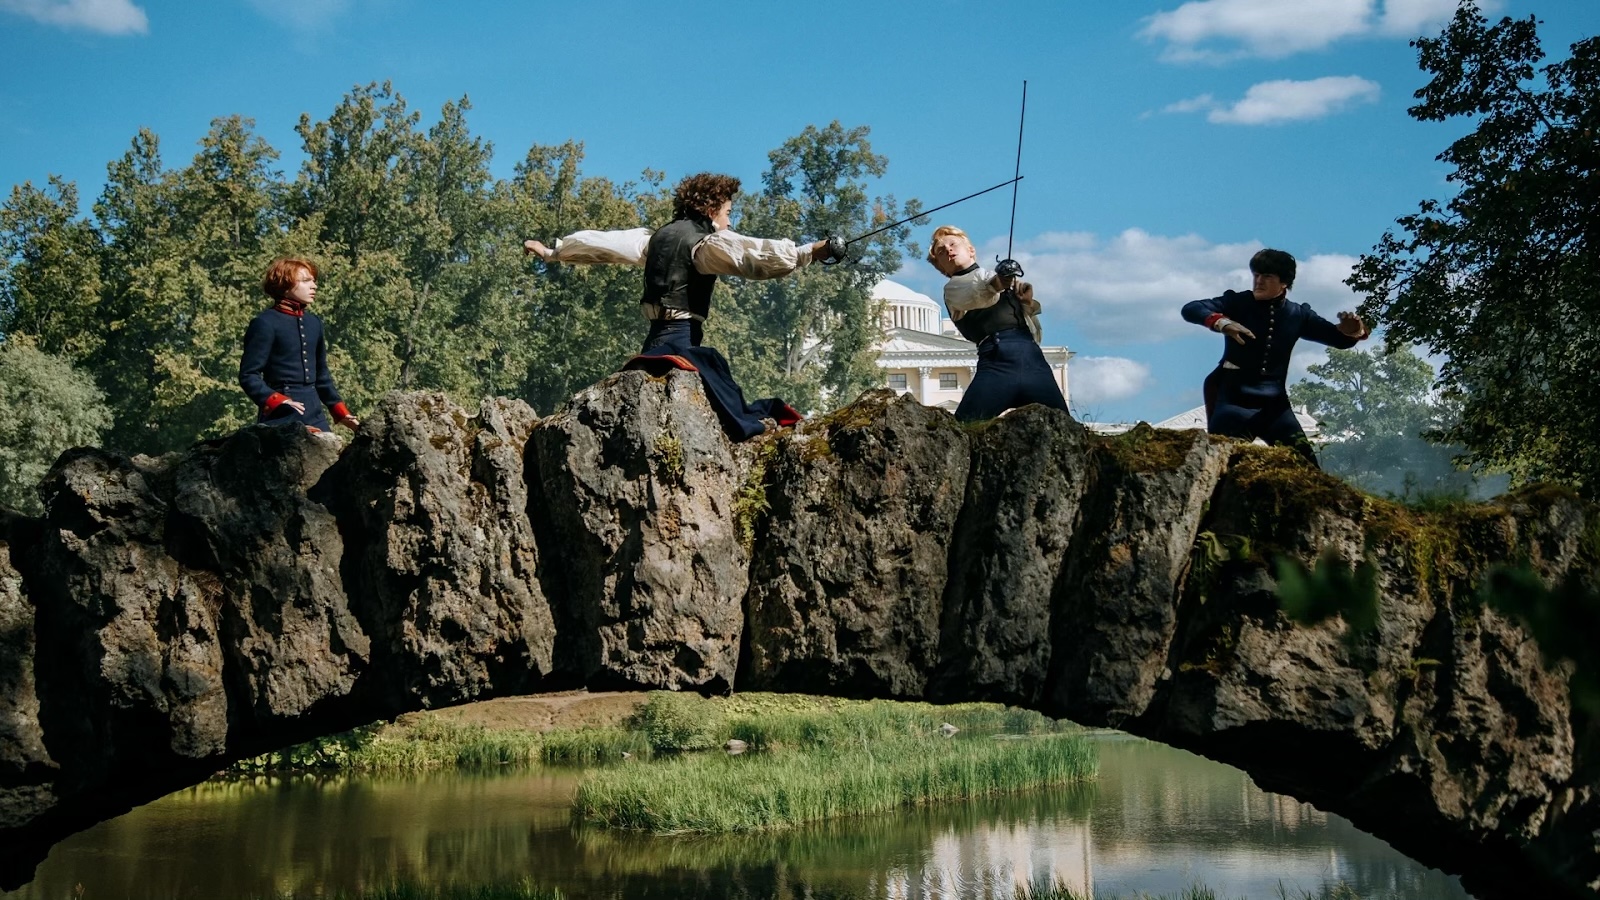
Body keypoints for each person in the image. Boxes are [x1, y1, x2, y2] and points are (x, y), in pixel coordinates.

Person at [522, 172, 841, 441]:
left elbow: (605, 244)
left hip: (651, 348)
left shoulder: (656, 238)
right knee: (743, 414)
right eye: (728, 212)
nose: (729, 221)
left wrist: (554, 252)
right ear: (712, 209)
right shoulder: (705, 243)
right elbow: (752, 256)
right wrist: (812, 251)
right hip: (681, 348)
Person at [1181, 248, 1368, 465]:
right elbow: (1192, 308)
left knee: (1306, 467)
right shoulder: (1237, 302)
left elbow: (1338, 339)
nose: (1258, 281)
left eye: (1267, 276)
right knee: (1219, 466)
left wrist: (1352, 331)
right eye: (1256, 275)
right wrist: (1222, 322)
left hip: (1275, 406)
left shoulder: (1298, 314)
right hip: (1233, 401)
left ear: (1284, 282)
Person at [925, 224, 1069, 422]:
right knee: (964, 426)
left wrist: (1026, 303)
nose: (948, 250)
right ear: (942, 268)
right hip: (996, 364)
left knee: (1064, 424)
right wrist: (999, 282)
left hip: (1033, 360)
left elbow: (1035, 332)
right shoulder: (953, 289)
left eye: (953, 244)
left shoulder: (993, 278)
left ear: (971, 250)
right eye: (941, 251)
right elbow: (977, 293)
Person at [239, 257, 360, 434]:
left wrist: (342, 413)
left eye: (313, 281)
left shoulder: (314, 323)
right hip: (281, 414)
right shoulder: (265, 322)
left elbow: (322, 377)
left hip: (315, 412)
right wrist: (279, 401)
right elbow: (248, 375)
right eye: (305, 280)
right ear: (284, 285)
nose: (314, 286)